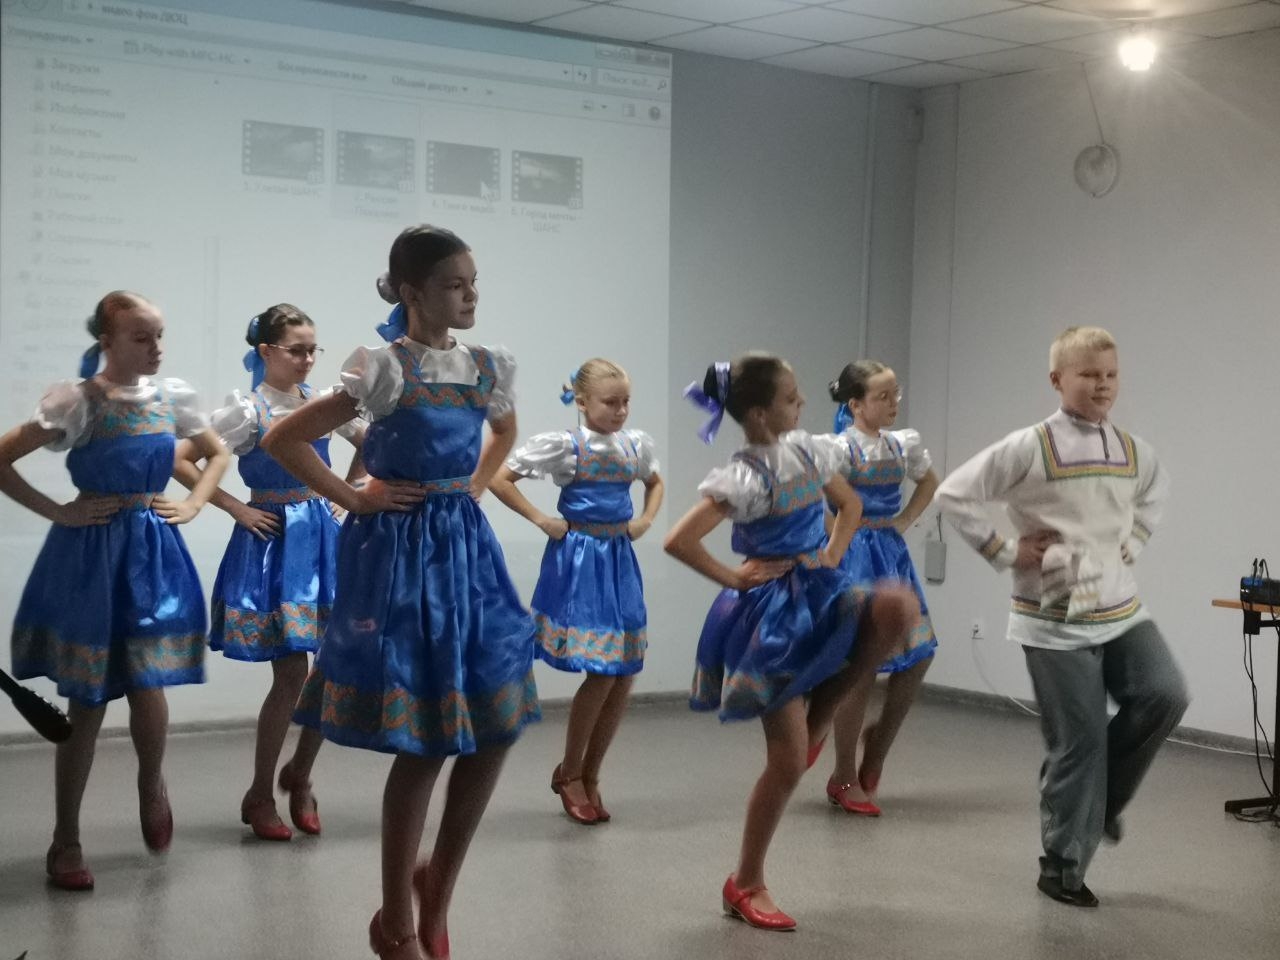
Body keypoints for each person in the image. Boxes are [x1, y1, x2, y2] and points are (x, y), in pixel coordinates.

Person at [262, 225, 539, 959]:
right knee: (426, 739)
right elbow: (283, 439)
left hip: (465, 552)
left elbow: (504, 433)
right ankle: (396, 923)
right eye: (454, 284)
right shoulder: (382, 367)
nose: (470, 295)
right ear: (412, 292)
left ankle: (436, 888)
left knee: (494, 725)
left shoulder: (485, 365)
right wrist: (355, 498)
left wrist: (472, 487)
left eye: (473, 282)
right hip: (401, 557)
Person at [935, 325, 1189, 908]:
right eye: (1089, 374)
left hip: (1121, 608)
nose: (1103, 385)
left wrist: (1133, 543)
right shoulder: (1030, 446)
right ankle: (1062, 867)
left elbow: (1156, 490)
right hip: (1052, 616)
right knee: (1080, 742)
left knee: (1165, 694)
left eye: (1111, 374)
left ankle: (1099, 804)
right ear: (1057, 379)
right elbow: (953, 494)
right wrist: (1005, 551)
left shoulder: (1132, 450)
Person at [664, 354, 915, 931]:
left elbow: (849, 505)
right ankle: (745, 882)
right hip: (770, 617)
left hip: (819, 588)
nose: (803, 404)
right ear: (759, 414)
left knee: (895, 607)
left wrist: (831, 555)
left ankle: (820, 722)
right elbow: (679, 540)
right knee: (785, 762)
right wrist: (735, 579)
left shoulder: (806, 450)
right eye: (791, 397)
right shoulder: (745, 475)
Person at [2, 290, 228, 890]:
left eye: (159, 336)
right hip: (92, 555)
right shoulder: (78, 402)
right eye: (140, 337)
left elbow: (216, 453)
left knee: (150, 681)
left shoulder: (170, 397)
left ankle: (151, 783)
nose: (155, 348)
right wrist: (59, 511)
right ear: (107, 341)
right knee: (89, 697)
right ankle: (66, 837)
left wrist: (194, 504)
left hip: (152, 551)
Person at [174, 304, 365, 841]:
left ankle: (300, 773)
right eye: (296, 350)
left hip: (323, 540)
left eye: (312, 350)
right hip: (274, 540)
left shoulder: (322, 403)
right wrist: (236, 506)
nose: (307, 359)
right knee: (290, 674)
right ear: (266, 351)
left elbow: (369, 445)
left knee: (333, 664)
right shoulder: (248, 410)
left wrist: (345, 496)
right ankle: (261, 792)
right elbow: (182, 458)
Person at [490, 359, 663, 825]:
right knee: (603, 671)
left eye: (626, 402)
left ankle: (591, 772)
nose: (621, 410)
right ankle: (570, 771)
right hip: (581, 561)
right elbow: (500, 478)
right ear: (582, 402)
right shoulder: (567, 447)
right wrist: (542, 519)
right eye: (611, 402)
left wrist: (645, 520)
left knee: (625, 672)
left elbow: (654, 482)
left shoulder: (634, 445)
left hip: (618, 560)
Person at [821, 360, 939, 816]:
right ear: (855, 404)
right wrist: (837, 537)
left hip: (890, 554)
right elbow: (810, 493)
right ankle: (843, 775)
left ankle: (878, 746)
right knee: (861, 667)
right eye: (882, 396)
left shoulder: (901, 444)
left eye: (895, 395)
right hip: (855, 560)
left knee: (919, 654)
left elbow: (929, 481)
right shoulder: (839, 448)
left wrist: (904, 520)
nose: (892, 404)